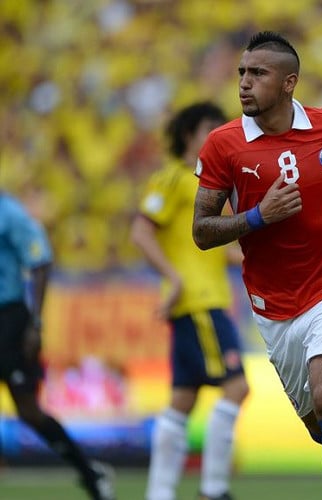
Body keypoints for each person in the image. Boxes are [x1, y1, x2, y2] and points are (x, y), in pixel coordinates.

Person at [191, 31, 322, 500]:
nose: (244, 82)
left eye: (258, 73)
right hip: (275, 305)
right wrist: (258, 216)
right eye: (242, 72)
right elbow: (201, 231)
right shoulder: (223, 145)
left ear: (289, 83)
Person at [131, 102, 249, 500]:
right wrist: (174, 276)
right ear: (187, 135)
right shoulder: (174, 178)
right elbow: (141, 231)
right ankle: (214, 489)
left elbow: (215, 250)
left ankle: (160, 493)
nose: (216, 139)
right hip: (200, 301)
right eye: (208, 131)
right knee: (236, 387)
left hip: (198, 301)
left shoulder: (206, 183)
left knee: (183, 398)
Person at [0, 191, 115, 500]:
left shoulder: (9, 213)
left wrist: (36, 323)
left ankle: (90, 473)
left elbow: (40, 261)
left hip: (8, 320)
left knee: (29, 411)